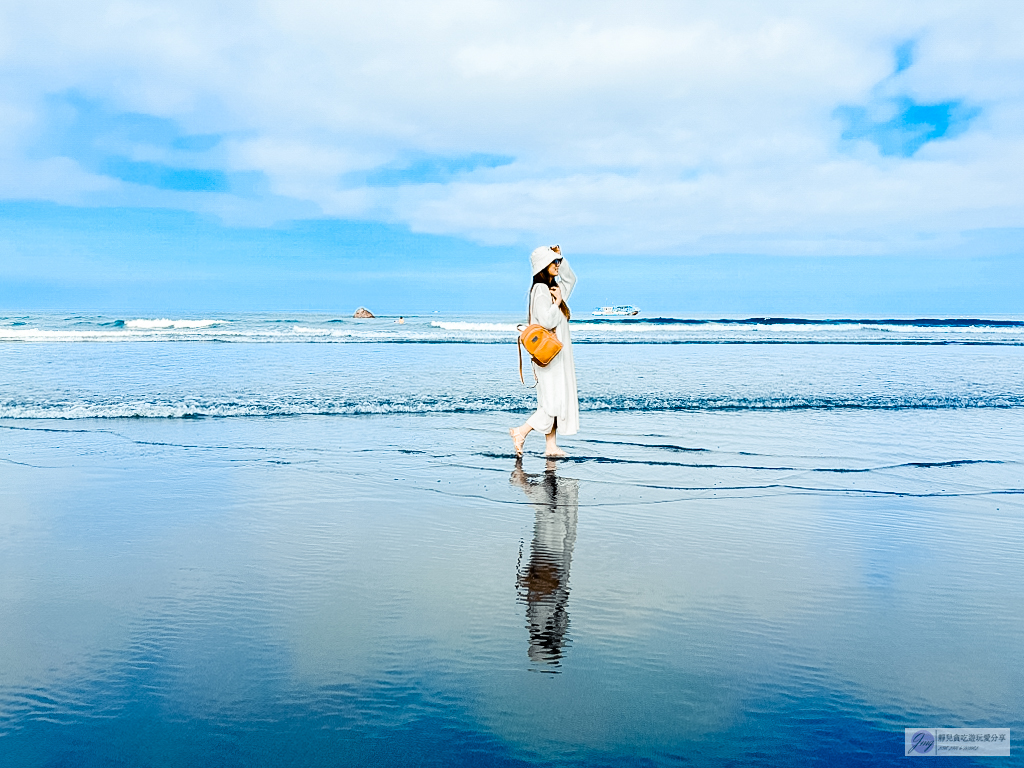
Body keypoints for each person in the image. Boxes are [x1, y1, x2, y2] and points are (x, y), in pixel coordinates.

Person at [509, 245, 579, 457]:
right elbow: (547, 321)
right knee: (551, 404)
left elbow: (571, 279)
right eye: (553, 261)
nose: (557, 265)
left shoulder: (552, 287)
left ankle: (550, 446)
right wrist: (557, 301)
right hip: (549, 357)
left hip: (557, 356)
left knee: (555, 400)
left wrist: (561, 255)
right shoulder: (541, 289)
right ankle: (521, 431)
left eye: (558, 261)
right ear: (542, 265)